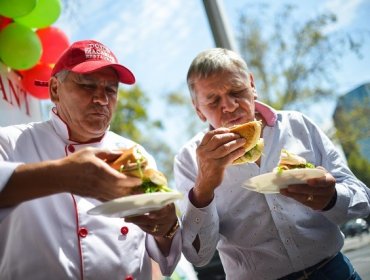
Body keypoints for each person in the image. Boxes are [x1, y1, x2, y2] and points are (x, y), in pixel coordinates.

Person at [174, 48, 370, 280]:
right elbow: (199, 256)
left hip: (334, 271)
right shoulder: (189, 159)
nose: (229, 105)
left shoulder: (297, 126)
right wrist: (203, 187)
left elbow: (363, 201)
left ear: (252, 85)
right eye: (213, 101)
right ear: (198, 110)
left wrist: (332, 197)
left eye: (237, 91)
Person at [0, 40, 181, 280]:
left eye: (111, 90)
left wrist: (168, 228)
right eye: (87, 85)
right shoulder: (11, 141)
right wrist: (63, 176)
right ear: (55, 89)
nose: (101, 99)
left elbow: (164, 260)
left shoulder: (136, 153)